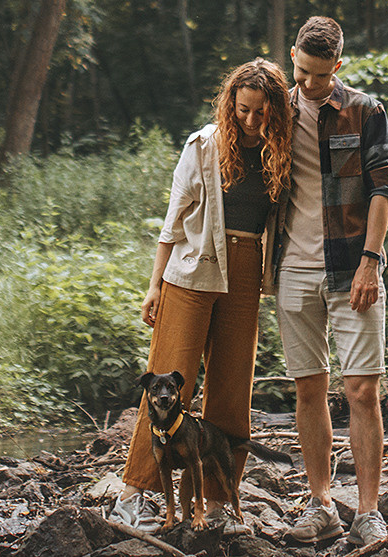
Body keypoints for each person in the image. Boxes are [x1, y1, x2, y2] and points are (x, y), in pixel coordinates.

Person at [110, 59, 293, 533]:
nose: (251, 121)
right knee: (169, 384)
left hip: (246, 269)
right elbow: (173, 220)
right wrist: (154, 285)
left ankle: (217, 504)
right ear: (230, 104)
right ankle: (133, 495)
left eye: (261, 112)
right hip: (191, 271)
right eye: (244, 110)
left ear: (275, 111)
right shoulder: (205, 145)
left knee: (232, 390)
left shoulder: (282, 151)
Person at [272, 16, 388, 546]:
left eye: (319, 77)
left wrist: (372, 259)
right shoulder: (276, 108)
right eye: (300, 71)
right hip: (292, 268)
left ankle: (368, 511)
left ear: (338, 67)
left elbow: (384, 187)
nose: (307, 85)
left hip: (353, 266)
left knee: (362, 389)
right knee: (309, 388)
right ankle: (321, 502)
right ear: (293, 56)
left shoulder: (365, 111)